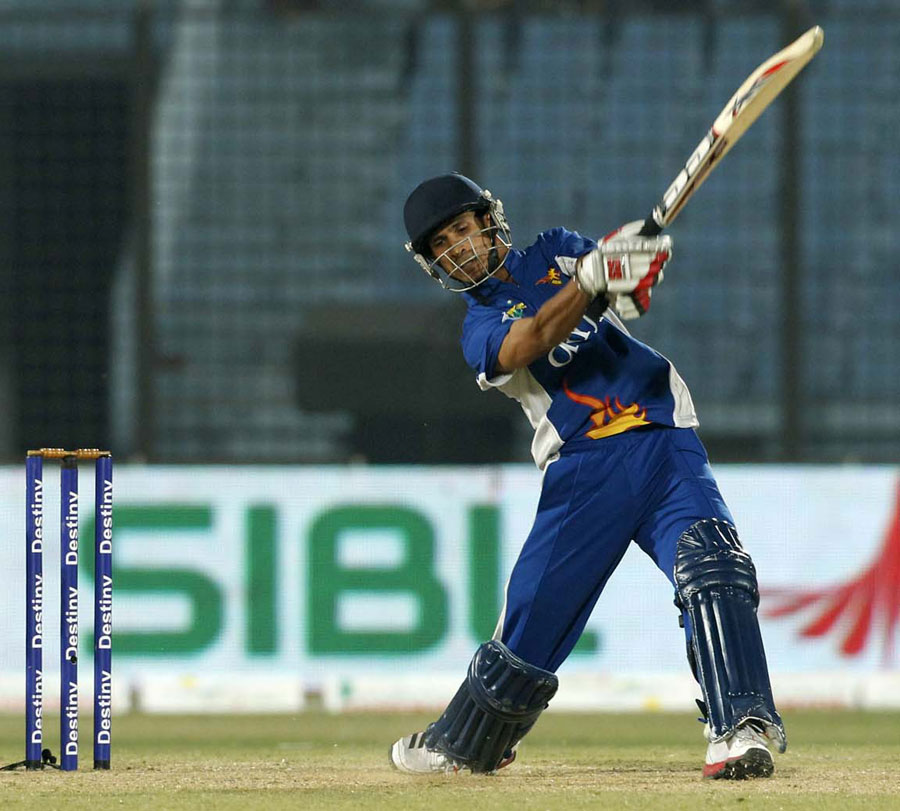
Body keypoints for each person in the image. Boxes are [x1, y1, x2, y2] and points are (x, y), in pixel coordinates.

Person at [388, 173, 786, 780]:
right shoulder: (479, 327)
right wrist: (590, 282)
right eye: (442, 245)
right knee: (531, 624)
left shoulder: (555, 250)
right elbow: (532, 340)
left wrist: (632, 263)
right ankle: (463, 742)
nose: (458, 249)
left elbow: (625, 292)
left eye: (462, 229)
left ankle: (741, 727)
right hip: (583, 466)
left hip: (662, 435)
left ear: (490, 223)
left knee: (714, 565)